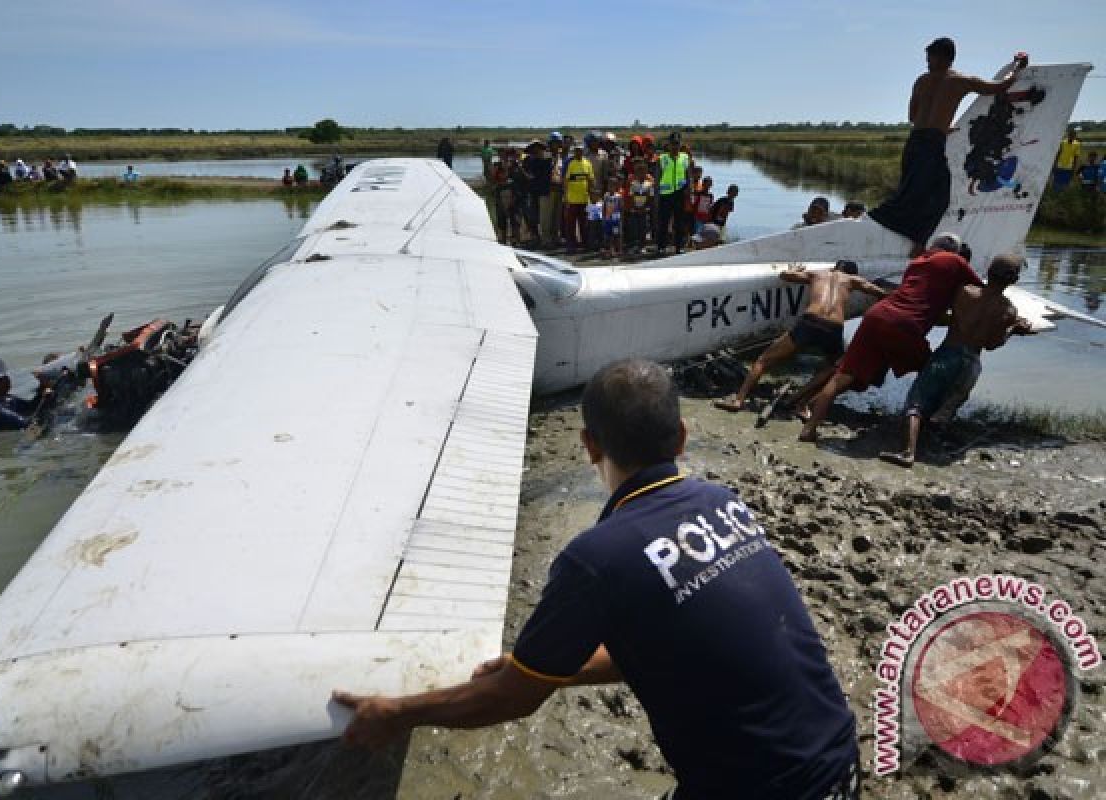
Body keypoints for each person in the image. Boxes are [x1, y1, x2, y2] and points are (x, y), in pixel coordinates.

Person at [334, 358, 860, 800]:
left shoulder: (596, 557)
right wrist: (546, 667)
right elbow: (676, 640)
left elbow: (512, 700)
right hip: (839, 760)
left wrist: (397, 712)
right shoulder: (721, 502)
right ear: (681, 436)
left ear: (589, 445)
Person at [799, 233, 983, 442]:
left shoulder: (917, 263)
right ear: (955, 251)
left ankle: (809, 428)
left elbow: (920, 299)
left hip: (877, 315)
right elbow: (983, 290)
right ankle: (923, 427)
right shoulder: (954, 260)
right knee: (932, 371)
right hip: (904, 324)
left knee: (843, 376)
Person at [869, 39, 1028, 251]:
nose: (927, 63)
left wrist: (941, 125)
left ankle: (907, 237)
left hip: (915, 142)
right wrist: (1017, 67)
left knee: (911, 193)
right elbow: (1000, 87)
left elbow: (913, 116)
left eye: (930, 58)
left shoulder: (922, 81)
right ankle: (916, 242)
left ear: (945, 58)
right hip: (931, 143)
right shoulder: (960, 81)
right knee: (939, 197)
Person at [880, 255, 1032, 467]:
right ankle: (933, 446)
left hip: (947, 354)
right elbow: (992, 345)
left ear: (988, 271)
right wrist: (1013, 330)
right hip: (971, 364)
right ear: (1013, 281)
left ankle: (908, 453)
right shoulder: (1008, 310)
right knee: (946, 408)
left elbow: (942, 307)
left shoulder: (964, 292)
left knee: (916, 404)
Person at [715, 261, 889, 414]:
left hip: (810, 322)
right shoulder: (853, 280)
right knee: (833, 368)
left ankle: (738, 400)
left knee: (764, 359)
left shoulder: (818, 273)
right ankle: (801, 403)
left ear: (834, 267)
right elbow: (877, 291)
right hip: (834, 327)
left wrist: (794, 269)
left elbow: (785, 275)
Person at [0, 355, 45, 431]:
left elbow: (31, 407)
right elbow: (27, 424)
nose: (8, 380)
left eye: (6, 376)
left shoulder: (6, 398)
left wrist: (42, 386)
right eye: (3, 378)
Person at [655, 134, 691, 254]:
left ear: (680, 144)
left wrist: (688, 191)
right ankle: (661, 247)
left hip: (680, 194)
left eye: (677, 143)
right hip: (665, 194)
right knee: (663, 222)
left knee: (679, 222)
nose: (675, 146)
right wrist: (656, 197)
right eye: (673, 143)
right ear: (669, 144)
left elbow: (688, 176)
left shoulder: (685, 157)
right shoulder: (662, 158)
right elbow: (657, 178)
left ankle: (679, 247)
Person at [563, 144, 594, 253]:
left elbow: (591, 180)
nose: (578, 152)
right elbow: (566, 181)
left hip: (585, 199)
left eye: (580, 151)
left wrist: (592, 194)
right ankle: (571, 245)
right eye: (576, 151)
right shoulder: (570, 164)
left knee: (584, 223)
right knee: (571, 224)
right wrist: (565, 197)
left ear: (583, 151)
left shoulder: (588, 163)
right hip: (572, 199)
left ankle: (585, 244)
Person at [624, 160, 655, 255]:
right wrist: (634, 208)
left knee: (643, 228)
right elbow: (630, 196)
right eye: (639, 171)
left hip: (644, 209)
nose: (641, 173)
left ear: (646, 171)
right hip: (634, 209)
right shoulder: (631, 182)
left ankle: (642, 246)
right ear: (636, 172)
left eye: (643, 171)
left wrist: (645, 207)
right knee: (633, 228)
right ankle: (633, 246)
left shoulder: (650, 182)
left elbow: (651, 196)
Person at [1053, 127, 1081, 191]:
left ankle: (1062, 194)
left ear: (1075, 136)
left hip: (1069, 166)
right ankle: (1055, 194)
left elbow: (1076, 157)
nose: (1071, 136)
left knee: (1065, 182)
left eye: (1073, 135)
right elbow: (1058, 153)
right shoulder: (1063, 142)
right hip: (1060, 165)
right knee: (1057, 181)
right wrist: (1055, 164)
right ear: (1068, 135)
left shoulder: (1077, 144)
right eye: (1070, 135)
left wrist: (1074, 168)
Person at [602, 176, 623, 258]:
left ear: (616, 186)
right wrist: (603, 217)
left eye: (613, 185)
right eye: (609, 185)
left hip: (616, 219)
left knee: (616, 235)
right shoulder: (606, 195)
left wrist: (621, 219)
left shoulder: (618, 196)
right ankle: (609, 250)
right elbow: (604, 206)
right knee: (608, 235)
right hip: (608, 219)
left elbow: (621, 208)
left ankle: (618, 250)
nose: (611, 187)